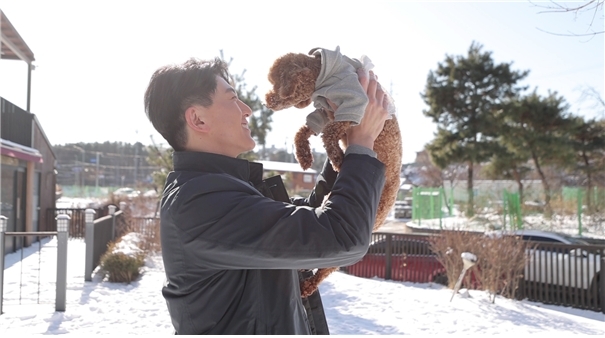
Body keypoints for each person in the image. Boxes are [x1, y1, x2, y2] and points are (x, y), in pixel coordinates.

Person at [144, 57, 390, 335]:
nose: (246, 110)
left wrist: (344, 141)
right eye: (233, 98)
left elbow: (310, 217)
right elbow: (341, 235)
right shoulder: (199, 203)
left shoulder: (218, 191)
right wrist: (362, 143)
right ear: (198, 119)